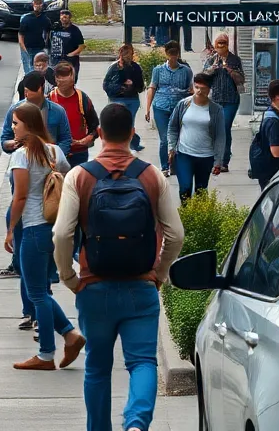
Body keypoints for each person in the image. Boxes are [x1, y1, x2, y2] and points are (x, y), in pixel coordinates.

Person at [51, 103, 184, 431]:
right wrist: (159, 273)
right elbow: (176, 234)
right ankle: (136, 423)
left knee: (97, 367)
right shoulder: (151, 175)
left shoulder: (80, 177)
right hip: (141, 286)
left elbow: (62, 233)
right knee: (142, 363)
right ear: (132, 134)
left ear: (98, 135)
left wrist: (70, 279)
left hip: (94, 287)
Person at [5, 102, 86, 371]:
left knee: (36, 292)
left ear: (28, 125)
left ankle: (46, 354)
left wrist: (9, 231)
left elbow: (20, 196)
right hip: (56, 227)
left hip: (33, 228)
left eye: (16, 123)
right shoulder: (54, 151)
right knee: (42, 290)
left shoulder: (21, 156)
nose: (13, 127)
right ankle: (70, 335)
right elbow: (67, 179)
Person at [0, 71, 74, 281]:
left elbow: (66, 141)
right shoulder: (17, 111)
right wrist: (11, 145)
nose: (25, 94)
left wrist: (50, 159)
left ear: (41, 89)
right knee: (21, 236)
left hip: (45, 197)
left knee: (37, 288)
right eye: (23, 91)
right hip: (26, 187)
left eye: (29, 91)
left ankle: (48, 271)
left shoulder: (57, 112)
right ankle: (18, 264)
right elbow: (3, 140)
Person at [166, 73, 226, 200]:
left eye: (203, 88)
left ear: (209, 89)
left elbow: (220, 136)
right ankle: (185, 218)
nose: (199, 91)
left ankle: (197, 219)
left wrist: (218, 160)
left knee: (201, 190)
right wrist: (171, 148)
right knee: (185, 188)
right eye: (197, 87)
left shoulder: (216, 110)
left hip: (205, 156)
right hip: (184, 153)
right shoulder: (183, 104)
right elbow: (172, 127)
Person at [145, 40, 193, 176]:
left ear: (178, 54)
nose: (172, 57)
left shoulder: (186, 71)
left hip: (179, 107)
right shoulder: (158, 70)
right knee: (165, 138)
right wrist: (147, 109)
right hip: (161, 106)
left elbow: (191, 90)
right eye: (170, 54)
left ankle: (175, 165)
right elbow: (152, 88)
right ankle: (165, 166)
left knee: (178, 137)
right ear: (166, 54)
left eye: (175, 54)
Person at [203, 32, 244, 171]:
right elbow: (203, 77)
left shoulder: (234, 60)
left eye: (223, 43)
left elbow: (241, 79)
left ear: (227, 45)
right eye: (219, 44)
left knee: (224, 128)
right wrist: (212, 69)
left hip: (231, 99)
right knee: (215, 129)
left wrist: (230, 70)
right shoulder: (211, 59)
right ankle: (216, 158)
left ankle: (224, 161)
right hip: (216, 99)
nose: (221, 46)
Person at [103, 43, 145, 151]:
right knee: (119, 125)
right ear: (120, 54)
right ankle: (129, 143)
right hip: (117, 99)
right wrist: (120, 87)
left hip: (132, 99)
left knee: (129, 124)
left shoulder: (136, 67)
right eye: (125, 53)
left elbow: (141, 86)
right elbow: (106, 84)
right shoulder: (114, 67)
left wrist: (133, 84)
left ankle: (132, 144)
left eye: (129, 53)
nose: (127, 56)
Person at [17, 0, 53, 74]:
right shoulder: (26, 19)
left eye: (40, 4)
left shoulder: (45, 20)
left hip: (39, 48)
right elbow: (21, 35)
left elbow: (48, 33)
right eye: (36, 4)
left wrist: (45, 44)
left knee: (39, 69)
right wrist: (24, 48)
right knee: (29, 69)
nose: (38, 6)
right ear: (33, 5)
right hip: (27, 48)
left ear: (43, 5)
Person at [49, 8, 85, 78]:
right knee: (55, 80)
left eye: (66, 17)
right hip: (55, 59)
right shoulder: (55, 27)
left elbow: (82, 46)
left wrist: (72, 54)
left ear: (69, 18)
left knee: (70, 79)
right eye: (62, 16)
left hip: (69, 60)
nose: (64, 18)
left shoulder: (75, 30)